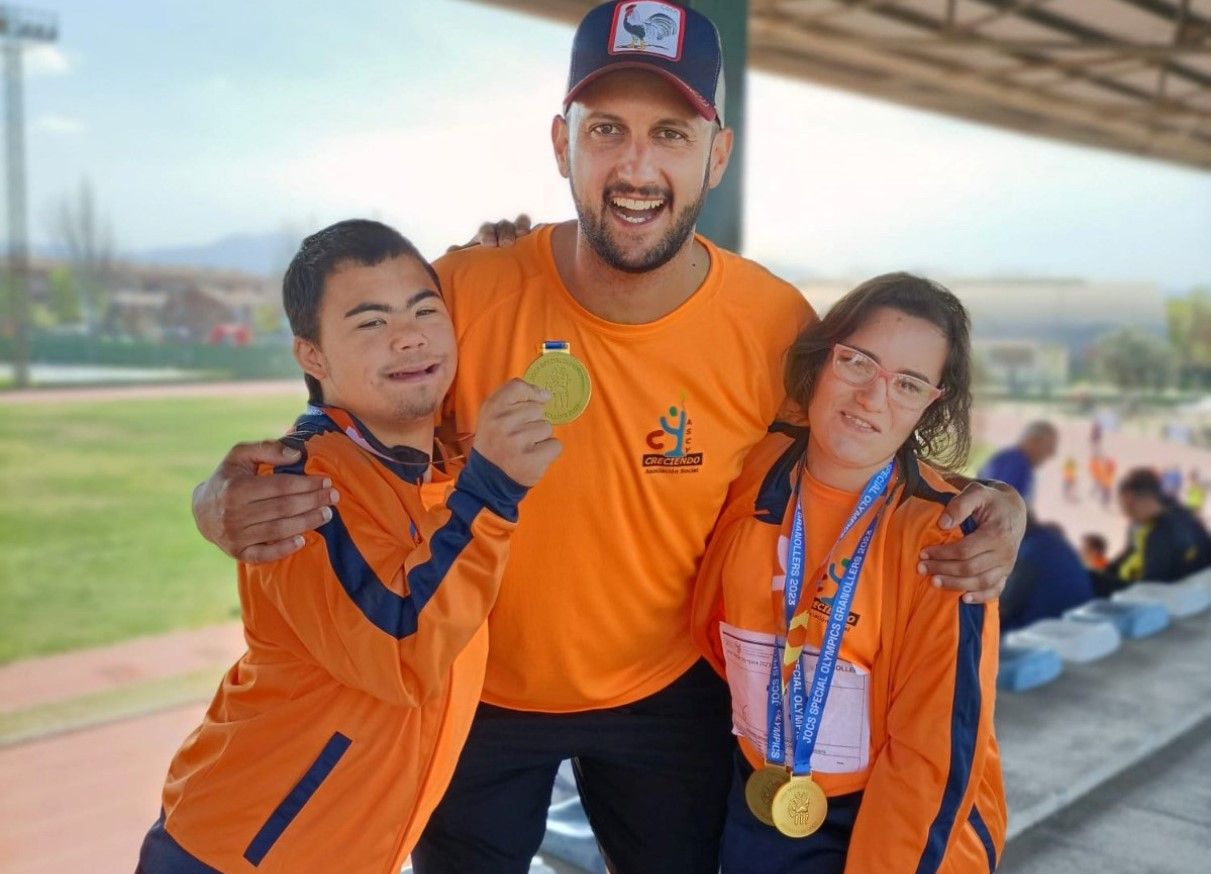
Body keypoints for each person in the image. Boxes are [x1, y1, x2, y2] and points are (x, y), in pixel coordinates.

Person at [190, 4, 1025, 871]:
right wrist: (221, 494)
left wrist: (988, 503)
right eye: (605, 130)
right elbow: (353, 401)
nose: (635, 165)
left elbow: (854, 435)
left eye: (670, 132)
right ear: (562, 145)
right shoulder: (465, 290)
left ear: (717, 154)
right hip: (474, 690)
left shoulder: (774, 323)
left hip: (667, 696)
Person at [136, 220, 560, 872]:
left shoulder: (428, 470)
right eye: (370, 323)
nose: (409, 335)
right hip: (237, 854)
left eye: (425, 310)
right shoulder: (297, 486)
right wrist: (493, 490)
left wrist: (499, 255)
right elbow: (401, 648)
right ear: (312, 356)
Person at [691, 274, 1005, 872]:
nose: (872, 398)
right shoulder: (750, 468)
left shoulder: (944, 540)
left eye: (907, 385)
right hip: (760, 793)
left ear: (931, 403)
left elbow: (930, 755)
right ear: (823, 357)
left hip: (885, 817)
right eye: (857, 362)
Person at [1095, 467, 1211, 596]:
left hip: (1164, 603)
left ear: (1129, 500)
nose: (1126, 515)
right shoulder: (1183, 516)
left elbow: (1148, 590)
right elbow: (1128, 553)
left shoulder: (1163, 535)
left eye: (1122, 507)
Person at [1001, 518, 1094, 632]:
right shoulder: (1055, 543)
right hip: (1077, 630)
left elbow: (1001, 610)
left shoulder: (1027, 553)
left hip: (1038, 636)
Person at [977, 420, 1058, 505]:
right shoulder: (1017, 464)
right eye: (1049, 446)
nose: (1052, 453)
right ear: (1034, 441)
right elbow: (1007, 505)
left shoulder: (1009, 458)